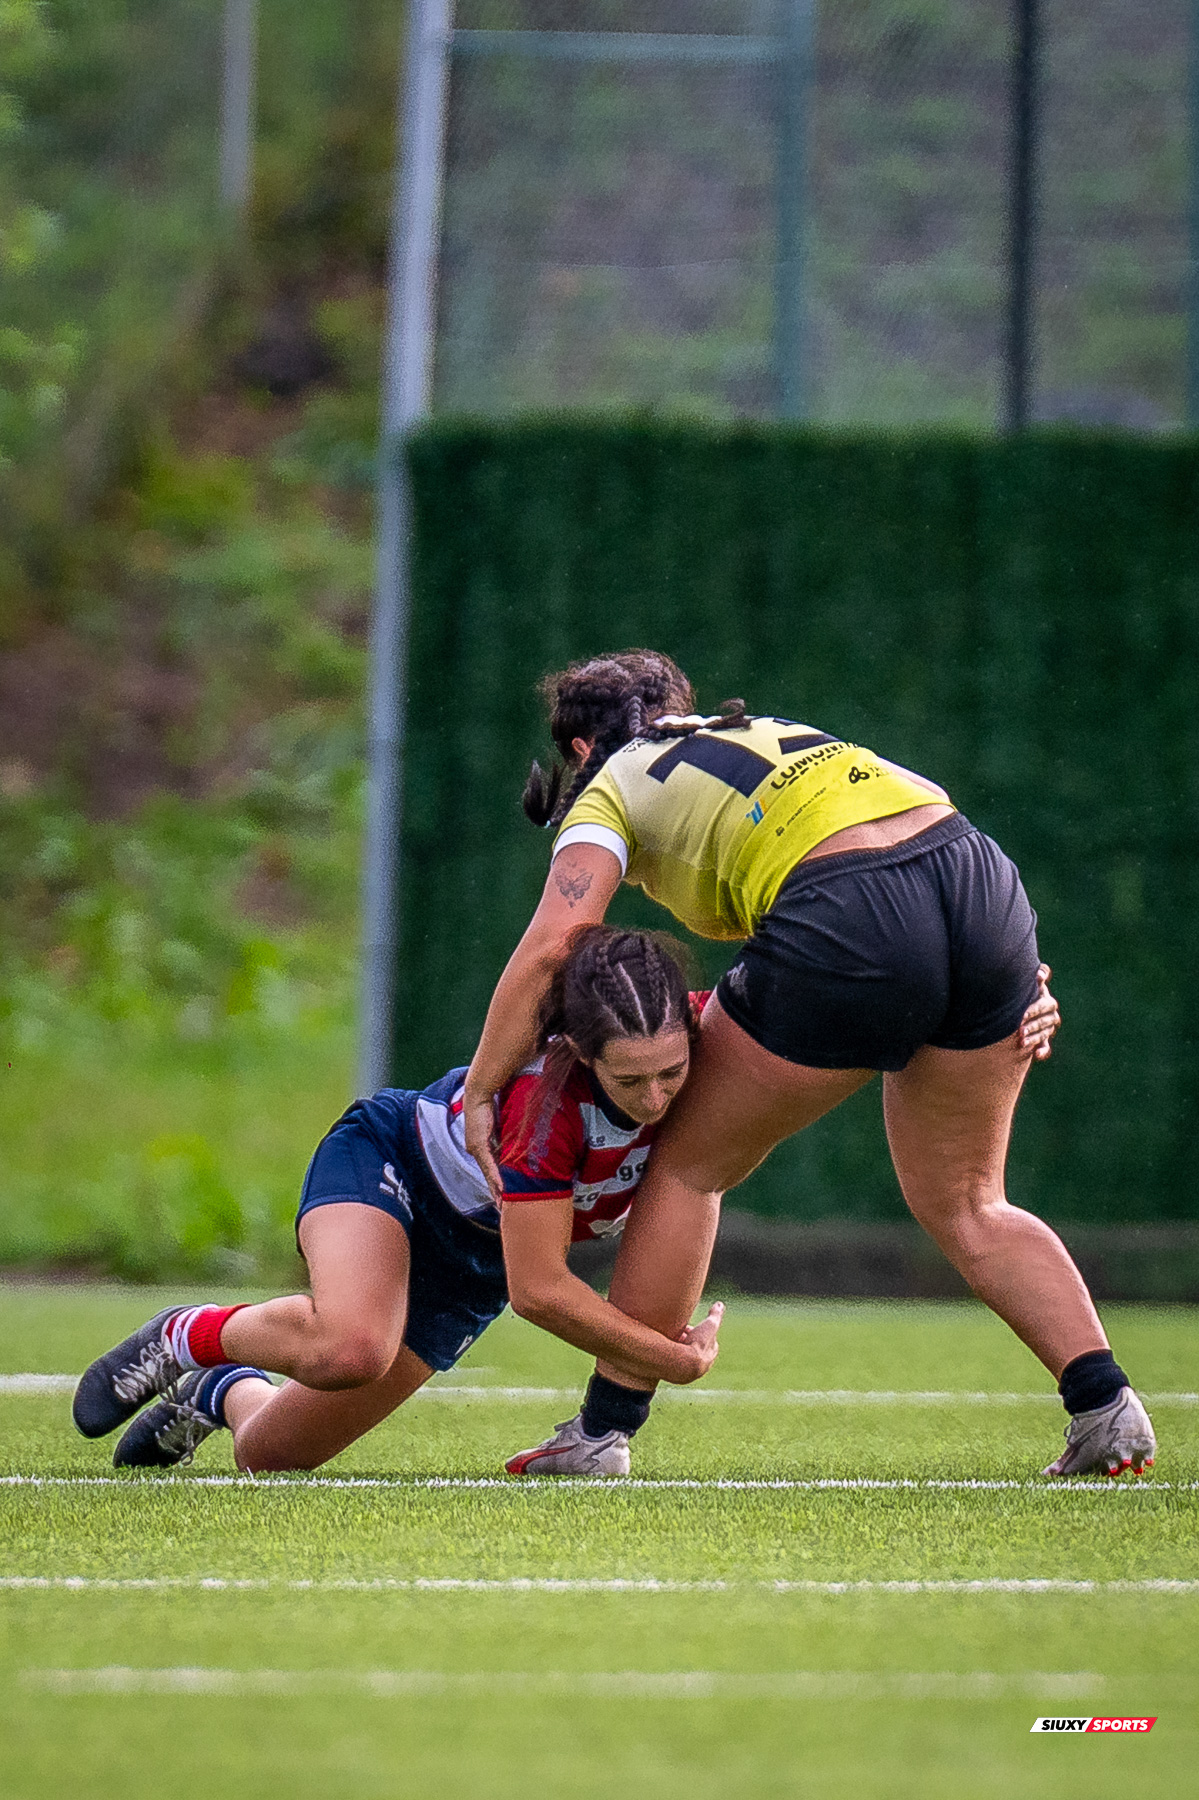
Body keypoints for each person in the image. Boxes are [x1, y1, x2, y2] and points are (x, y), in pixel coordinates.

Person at [464, 651, 1155, 1482]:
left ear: (578, 749)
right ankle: (1104, 1406)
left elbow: (554, 947)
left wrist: (481, 1088)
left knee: (688, 1166)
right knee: (968, 1201)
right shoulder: (757, 729)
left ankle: (601, 1433)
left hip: (851, 907)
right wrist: (1005, 975)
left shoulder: (611, 781)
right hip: (978, 881)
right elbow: (912, 852)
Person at [72, 927, 722, 1476]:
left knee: (271, 1456)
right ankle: (184, 1337)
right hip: (395, 1168)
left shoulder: (709, 1038)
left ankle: (218, 1393)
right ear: (581, 1051)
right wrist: (670, 1358)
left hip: (476, 1260)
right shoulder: (545, 1112)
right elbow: (541, 1291)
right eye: (630, 1079)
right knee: (351, 1348)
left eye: (672, 1073)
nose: (656, 1099)